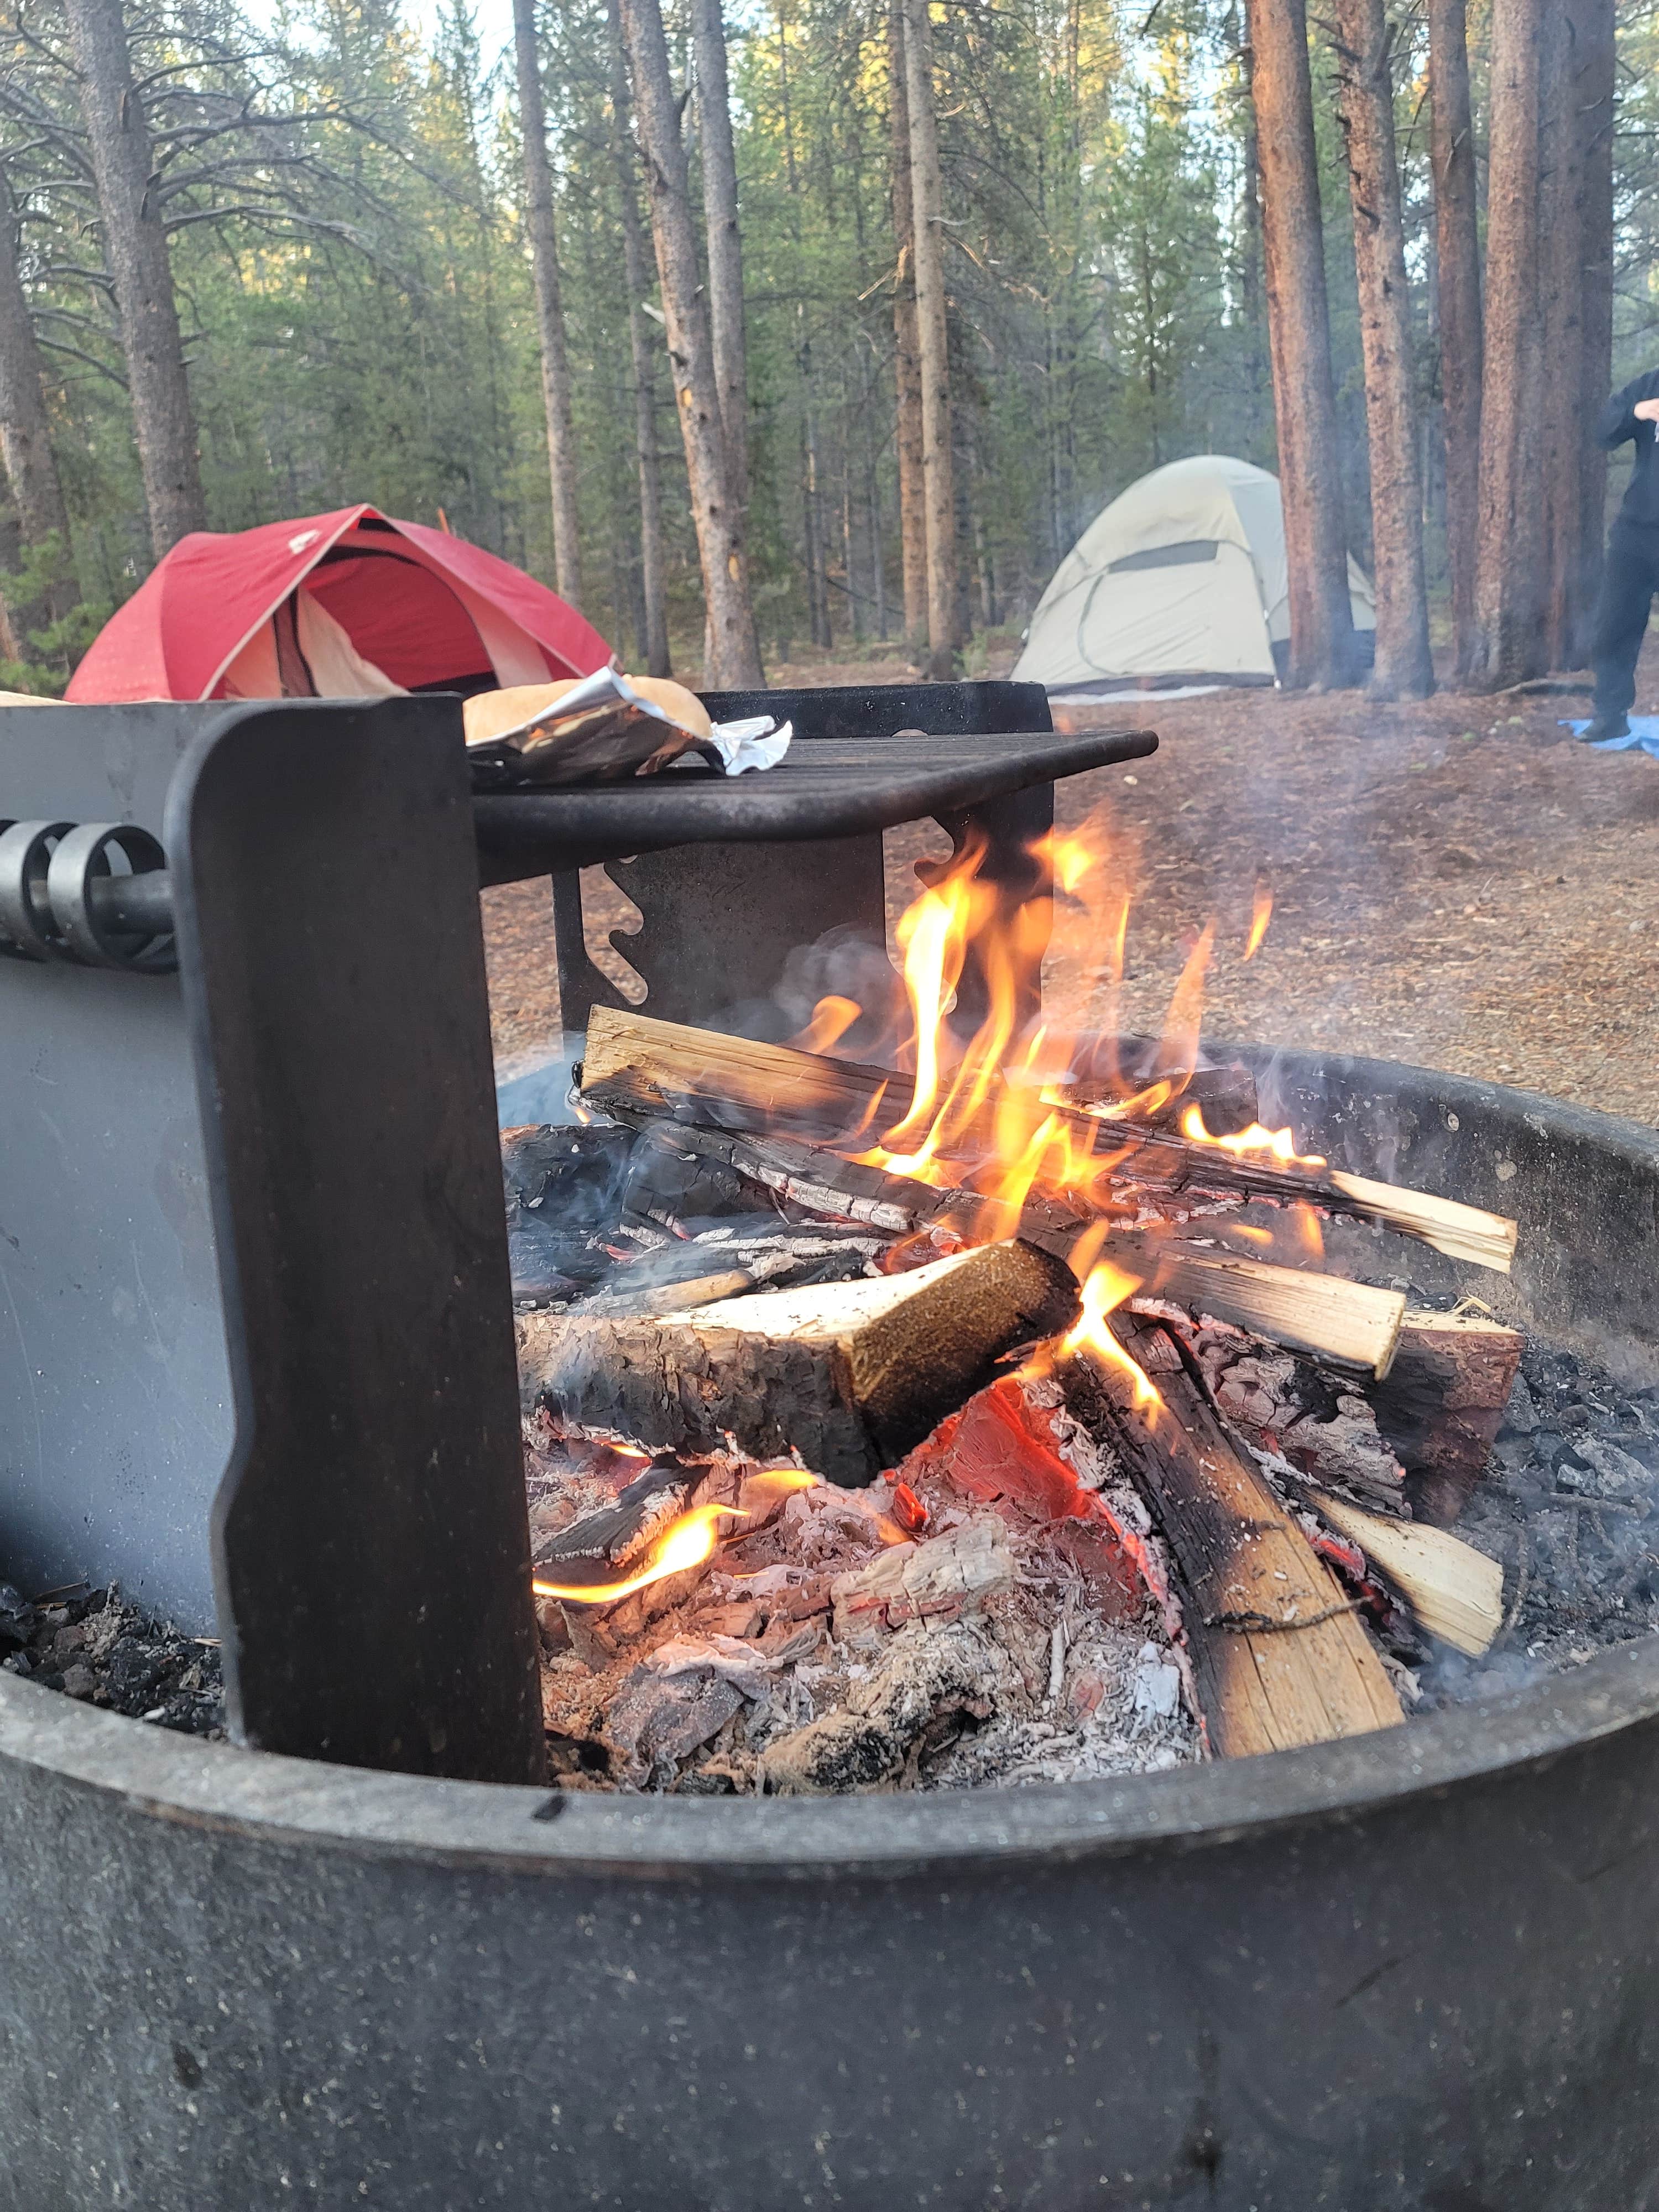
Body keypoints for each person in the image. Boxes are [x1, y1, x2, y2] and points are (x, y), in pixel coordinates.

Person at [1586, 370, 1659, 741]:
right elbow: (1602, 432)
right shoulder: (1651, 384)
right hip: (1637, 529)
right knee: (1613, 625)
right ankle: (1610, 715)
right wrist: (1637, 412)